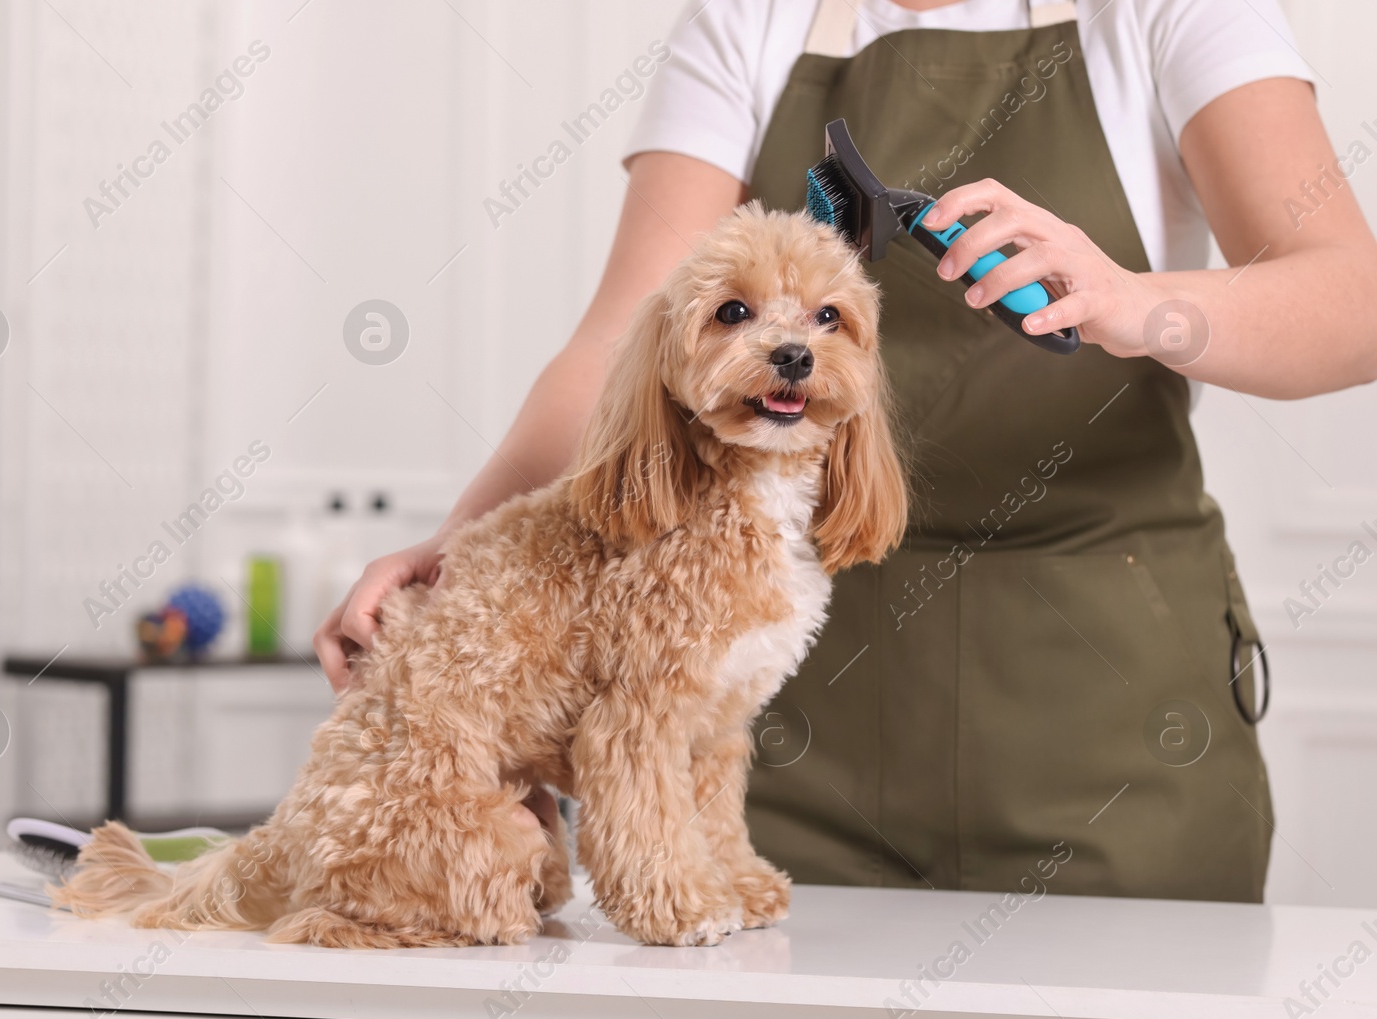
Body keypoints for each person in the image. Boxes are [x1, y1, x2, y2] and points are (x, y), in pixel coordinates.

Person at [315, 0, 1377, 902]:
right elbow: (624, 337)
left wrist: (1137, 303)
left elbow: (1353, 300)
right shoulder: (753, 19)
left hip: (1114, 726)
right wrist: (462, 544)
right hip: (794, 725)